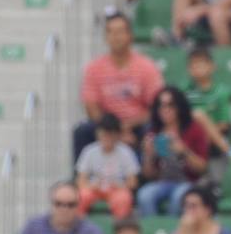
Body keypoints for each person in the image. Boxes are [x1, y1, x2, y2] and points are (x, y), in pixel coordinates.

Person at [72, 13, 164, 162]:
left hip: (137, 125)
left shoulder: (147, 67)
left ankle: (144, 178)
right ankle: (82, 179)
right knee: (82, 131)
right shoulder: (94, 68)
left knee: (152, 131)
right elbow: (91, 107)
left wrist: (126, 126)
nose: (116, 37)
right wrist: (113, 131)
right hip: (106, 124)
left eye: (120, 31)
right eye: (110, 32)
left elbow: (156, 107)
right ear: (105, 37)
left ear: (130, 35)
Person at [138, 87, 211, 217]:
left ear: (179, 107)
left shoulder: (193, 130)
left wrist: (184, 152)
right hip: (163, 182)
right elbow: (149, 175)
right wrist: (149, 156)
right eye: (161, 106)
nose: (165, 110)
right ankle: (155, 231)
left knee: (179, 196)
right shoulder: (154, 133)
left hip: (189, 182)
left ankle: (173, 232)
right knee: (144, 195)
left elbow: (203, 168)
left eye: (170, 105)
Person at [75, 114, 140, 221]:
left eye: (111, 135)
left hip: (117, 189)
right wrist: (91, 186)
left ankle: (119, 231)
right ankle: (78, 230)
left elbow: (133, 182)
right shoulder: (89, 151)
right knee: (81, 196)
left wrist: (120, 185)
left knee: (124, 198)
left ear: (117, 135)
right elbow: (80, 180)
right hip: (95, 189)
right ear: (98, 133)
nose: (107, 138)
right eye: (104, 134)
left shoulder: (126, 152)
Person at [184, 47, 231, 155]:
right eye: (192, 65)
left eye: (200, 65)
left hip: (213, 137)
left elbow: (224, 124)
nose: (196, 68)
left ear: (212, 67)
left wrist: (205, 135)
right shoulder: (184, 90)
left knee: (198, 114)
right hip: (190, 136)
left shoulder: (221, 92)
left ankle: (228, 151)